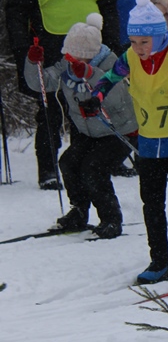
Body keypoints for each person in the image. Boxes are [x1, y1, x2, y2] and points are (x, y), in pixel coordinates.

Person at [84, 0, 168, 284]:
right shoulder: (130, 58)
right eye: (134, 42)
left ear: (159, 36)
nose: (139, 48)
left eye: (144, 42)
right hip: (148, 143)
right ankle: (159, 262)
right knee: (152, 203)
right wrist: (96, 97)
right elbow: (109, 78)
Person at [4, 0, 120, 189]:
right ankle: (48, 169)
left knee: (91, 104)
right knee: (51, 109)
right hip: (52, 46)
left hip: (92, 48)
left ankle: (91, 162)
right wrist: (22, 48)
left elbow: (108, 7)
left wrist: (114, 42)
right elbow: (15, 12)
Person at [24, 14, 136, 238]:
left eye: (75, 55)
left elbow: (118, 99)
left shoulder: (111, 64)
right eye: (68, 54)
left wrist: (90, 75)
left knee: (93, 168)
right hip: (89, 132)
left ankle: (111, 219)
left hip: (119, 131)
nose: (70, 59)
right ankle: (78, 211)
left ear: (90, 54)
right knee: (68, 162)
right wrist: (33, 62)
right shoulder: (67, 65)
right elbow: (41, 83)